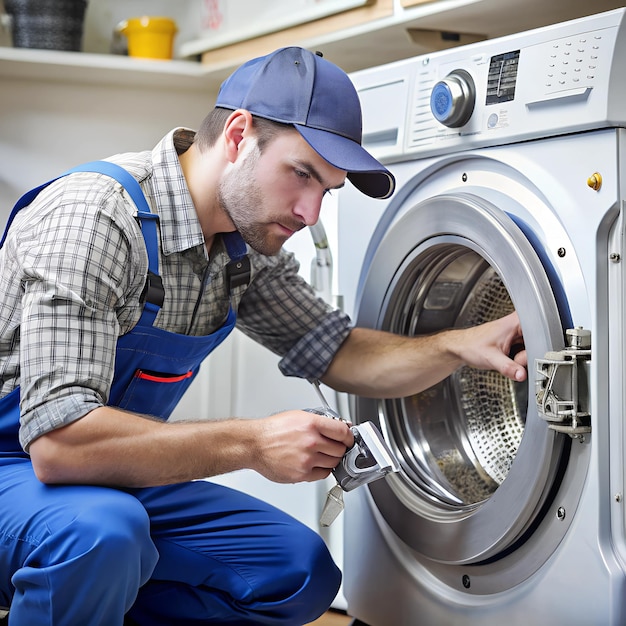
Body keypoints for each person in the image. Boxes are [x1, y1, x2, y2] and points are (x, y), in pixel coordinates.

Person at [0, 47, 526, 625]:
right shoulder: (97, 218)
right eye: (302, 174)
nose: (310, 212)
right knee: (104, 537)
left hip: (104, 476)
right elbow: (58, 444)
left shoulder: (241, 250)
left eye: (328, 189)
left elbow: (340, 352)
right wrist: (254, 444)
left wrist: (457, 346)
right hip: (21, 464)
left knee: (297, 571)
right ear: (238, 134)